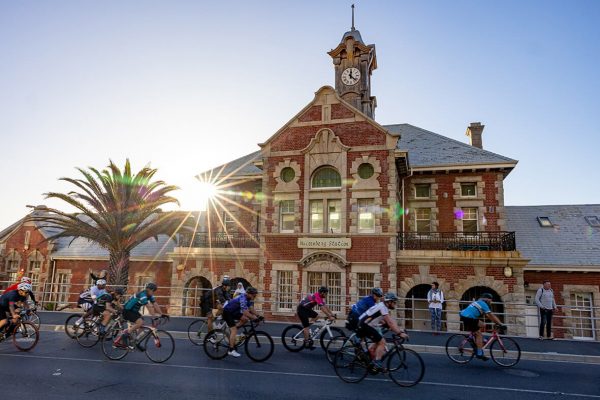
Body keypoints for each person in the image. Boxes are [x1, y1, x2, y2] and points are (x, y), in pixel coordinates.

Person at [357, 292, 408, 370]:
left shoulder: (383, 306)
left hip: (366, 325)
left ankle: (367, 355)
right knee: (382, 342)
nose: (395, 304)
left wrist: (398, 329)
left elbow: (387, 322)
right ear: (389, 302)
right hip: (364, 325)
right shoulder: (382, 307)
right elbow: (390, 322)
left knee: (378, 340)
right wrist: (399, 333)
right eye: (394, 302)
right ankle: (377, 363)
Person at [114, 282, 167, 348]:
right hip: (127, 311)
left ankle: (135, 341)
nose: (153, 292)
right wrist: (154, 317)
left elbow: (155, 304)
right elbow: (149, 306)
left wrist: (161, 314)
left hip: (134, 311)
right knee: (140, 322)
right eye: (153, 291)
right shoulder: (142, 295)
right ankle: (125, 335)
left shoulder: (149, 295)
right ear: (149, 289)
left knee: (142, 323)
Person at [459, 293, 505, 361]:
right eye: (490, 300)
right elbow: (491, 315)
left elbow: (489, 316)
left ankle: (476, 339)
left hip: (467, 316)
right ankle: (479, 353)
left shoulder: (479, 302)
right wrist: (500, 324)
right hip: (468, 317)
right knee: (479, 334)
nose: (491, 302)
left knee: (483, 325)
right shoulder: (483, 304)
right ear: (486, 299)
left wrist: (496, 322)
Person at [222, 286, 261, 357]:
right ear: (249, 294)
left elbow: (251, 309)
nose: (255, 296)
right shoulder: (243, 298)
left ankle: (233, 330)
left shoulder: (248, 298)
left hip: (234, 311)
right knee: (234, 330)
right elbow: (245, 312)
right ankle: (231, 350)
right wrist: (254, 318)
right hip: (227, 312)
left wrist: (258, 316)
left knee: (245, 319)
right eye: (254, 295)